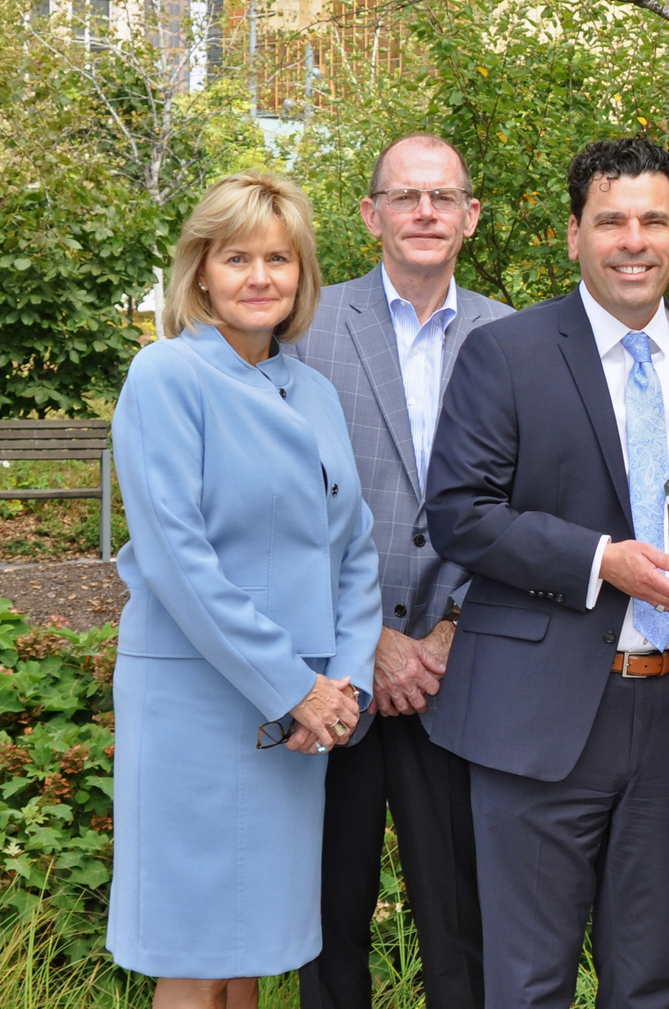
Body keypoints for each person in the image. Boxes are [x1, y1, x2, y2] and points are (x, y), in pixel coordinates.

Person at [423, 136, 669, 1009]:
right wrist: (602, 561)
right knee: (530, 983)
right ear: (574, 235)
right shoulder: (510, 352)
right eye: (612, 221)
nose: (634, 240)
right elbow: (459, 512)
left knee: (647, 978)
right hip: (539, 713)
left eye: (654, 220)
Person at [106, 170, 380, 1009]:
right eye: (237, 258)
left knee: (252, 947)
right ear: (201, 273)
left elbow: (356, 554)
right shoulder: (165, 379)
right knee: (195, 954)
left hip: (297, 720)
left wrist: (344, 687)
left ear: (302, 276)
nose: (260, 277)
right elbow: (179, 562)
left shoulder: (315, 391)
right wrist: (295, 687)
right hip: (197, 704)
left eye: (279, 258)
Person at [289, 133, 513, 1009]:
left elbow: (530, 504)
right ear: (370, 215)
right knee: (328, 920)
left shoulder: (517, 338)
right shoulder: (303, 330)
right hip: (332, 672)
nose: (425, 212)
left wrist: (451, 634)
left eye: (443, 197)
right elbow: (281, 512)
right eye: (406, 196)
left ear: (470, 217)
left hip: (464, 674)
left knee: (463, 920)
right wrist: (371, 639)